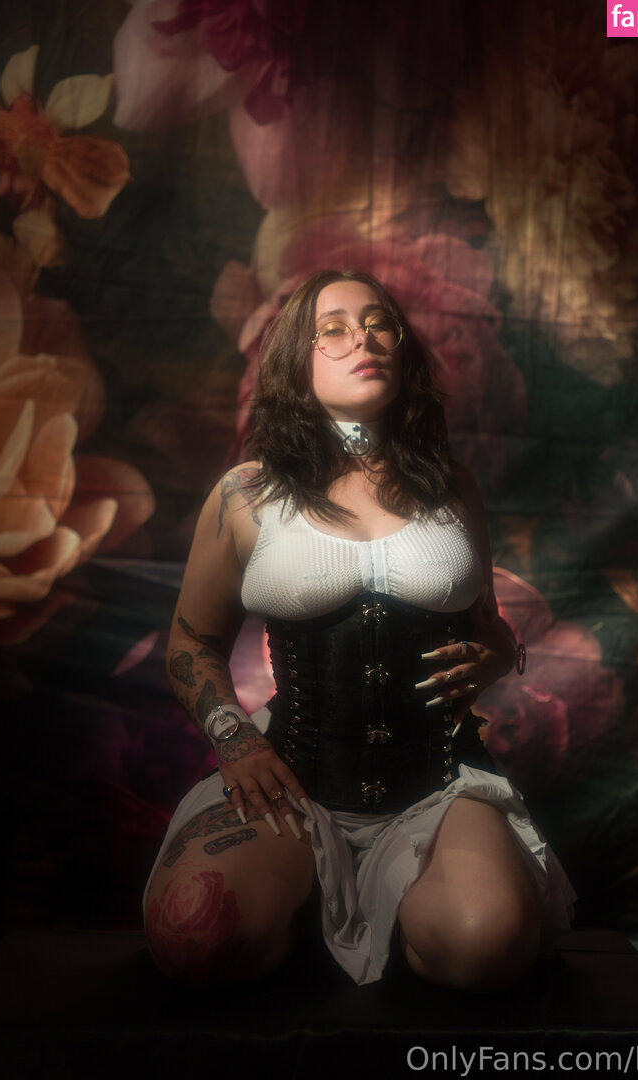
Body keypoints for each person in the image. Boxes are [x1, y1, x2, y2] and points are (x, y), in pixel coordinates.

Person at [144, 269, 574, 990]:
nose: (363, 339)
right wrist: (234, 739)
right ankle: (307, 895)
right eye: (334, 329)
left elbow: (489, 626)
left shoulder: (450, 486)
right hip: (294, 781)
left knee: (489, 947)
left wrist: (495, 655)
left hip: (437, 782)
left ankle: (403, 909)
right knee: (195, 939)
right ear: (297, 359)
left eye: (379, 325)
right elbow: (192, 643)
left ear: (402, 351)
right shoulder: (247, 494)